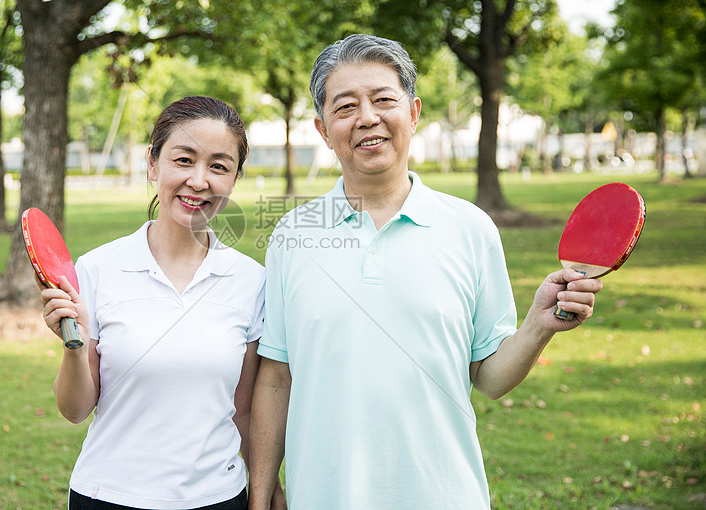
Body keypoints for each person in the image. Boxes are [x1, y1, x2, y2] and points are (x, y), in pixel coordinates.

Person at [247, 35, 603, 509]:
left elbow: (490, 378)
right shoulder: (293, 234)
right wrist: (261, 492)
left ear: (413, 113)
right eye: (346, 106)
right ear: (322, 128)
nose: (367, 118)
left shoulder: (471, 228)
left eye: (383, 100)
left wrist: (538, 325)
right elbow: (275, 377)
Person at [40, 96, 286, 510]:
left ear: (235, 178)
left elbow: (244, 411)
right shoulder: (98, 268)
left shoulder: (251, 281)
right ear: (153, 163)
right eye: (184, 160)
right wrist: (74, 345)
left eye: (219, 166)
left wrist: (267, 493)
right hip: (109, 497)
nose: (199, 180)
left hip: (218, 498)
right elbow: (75, 409)